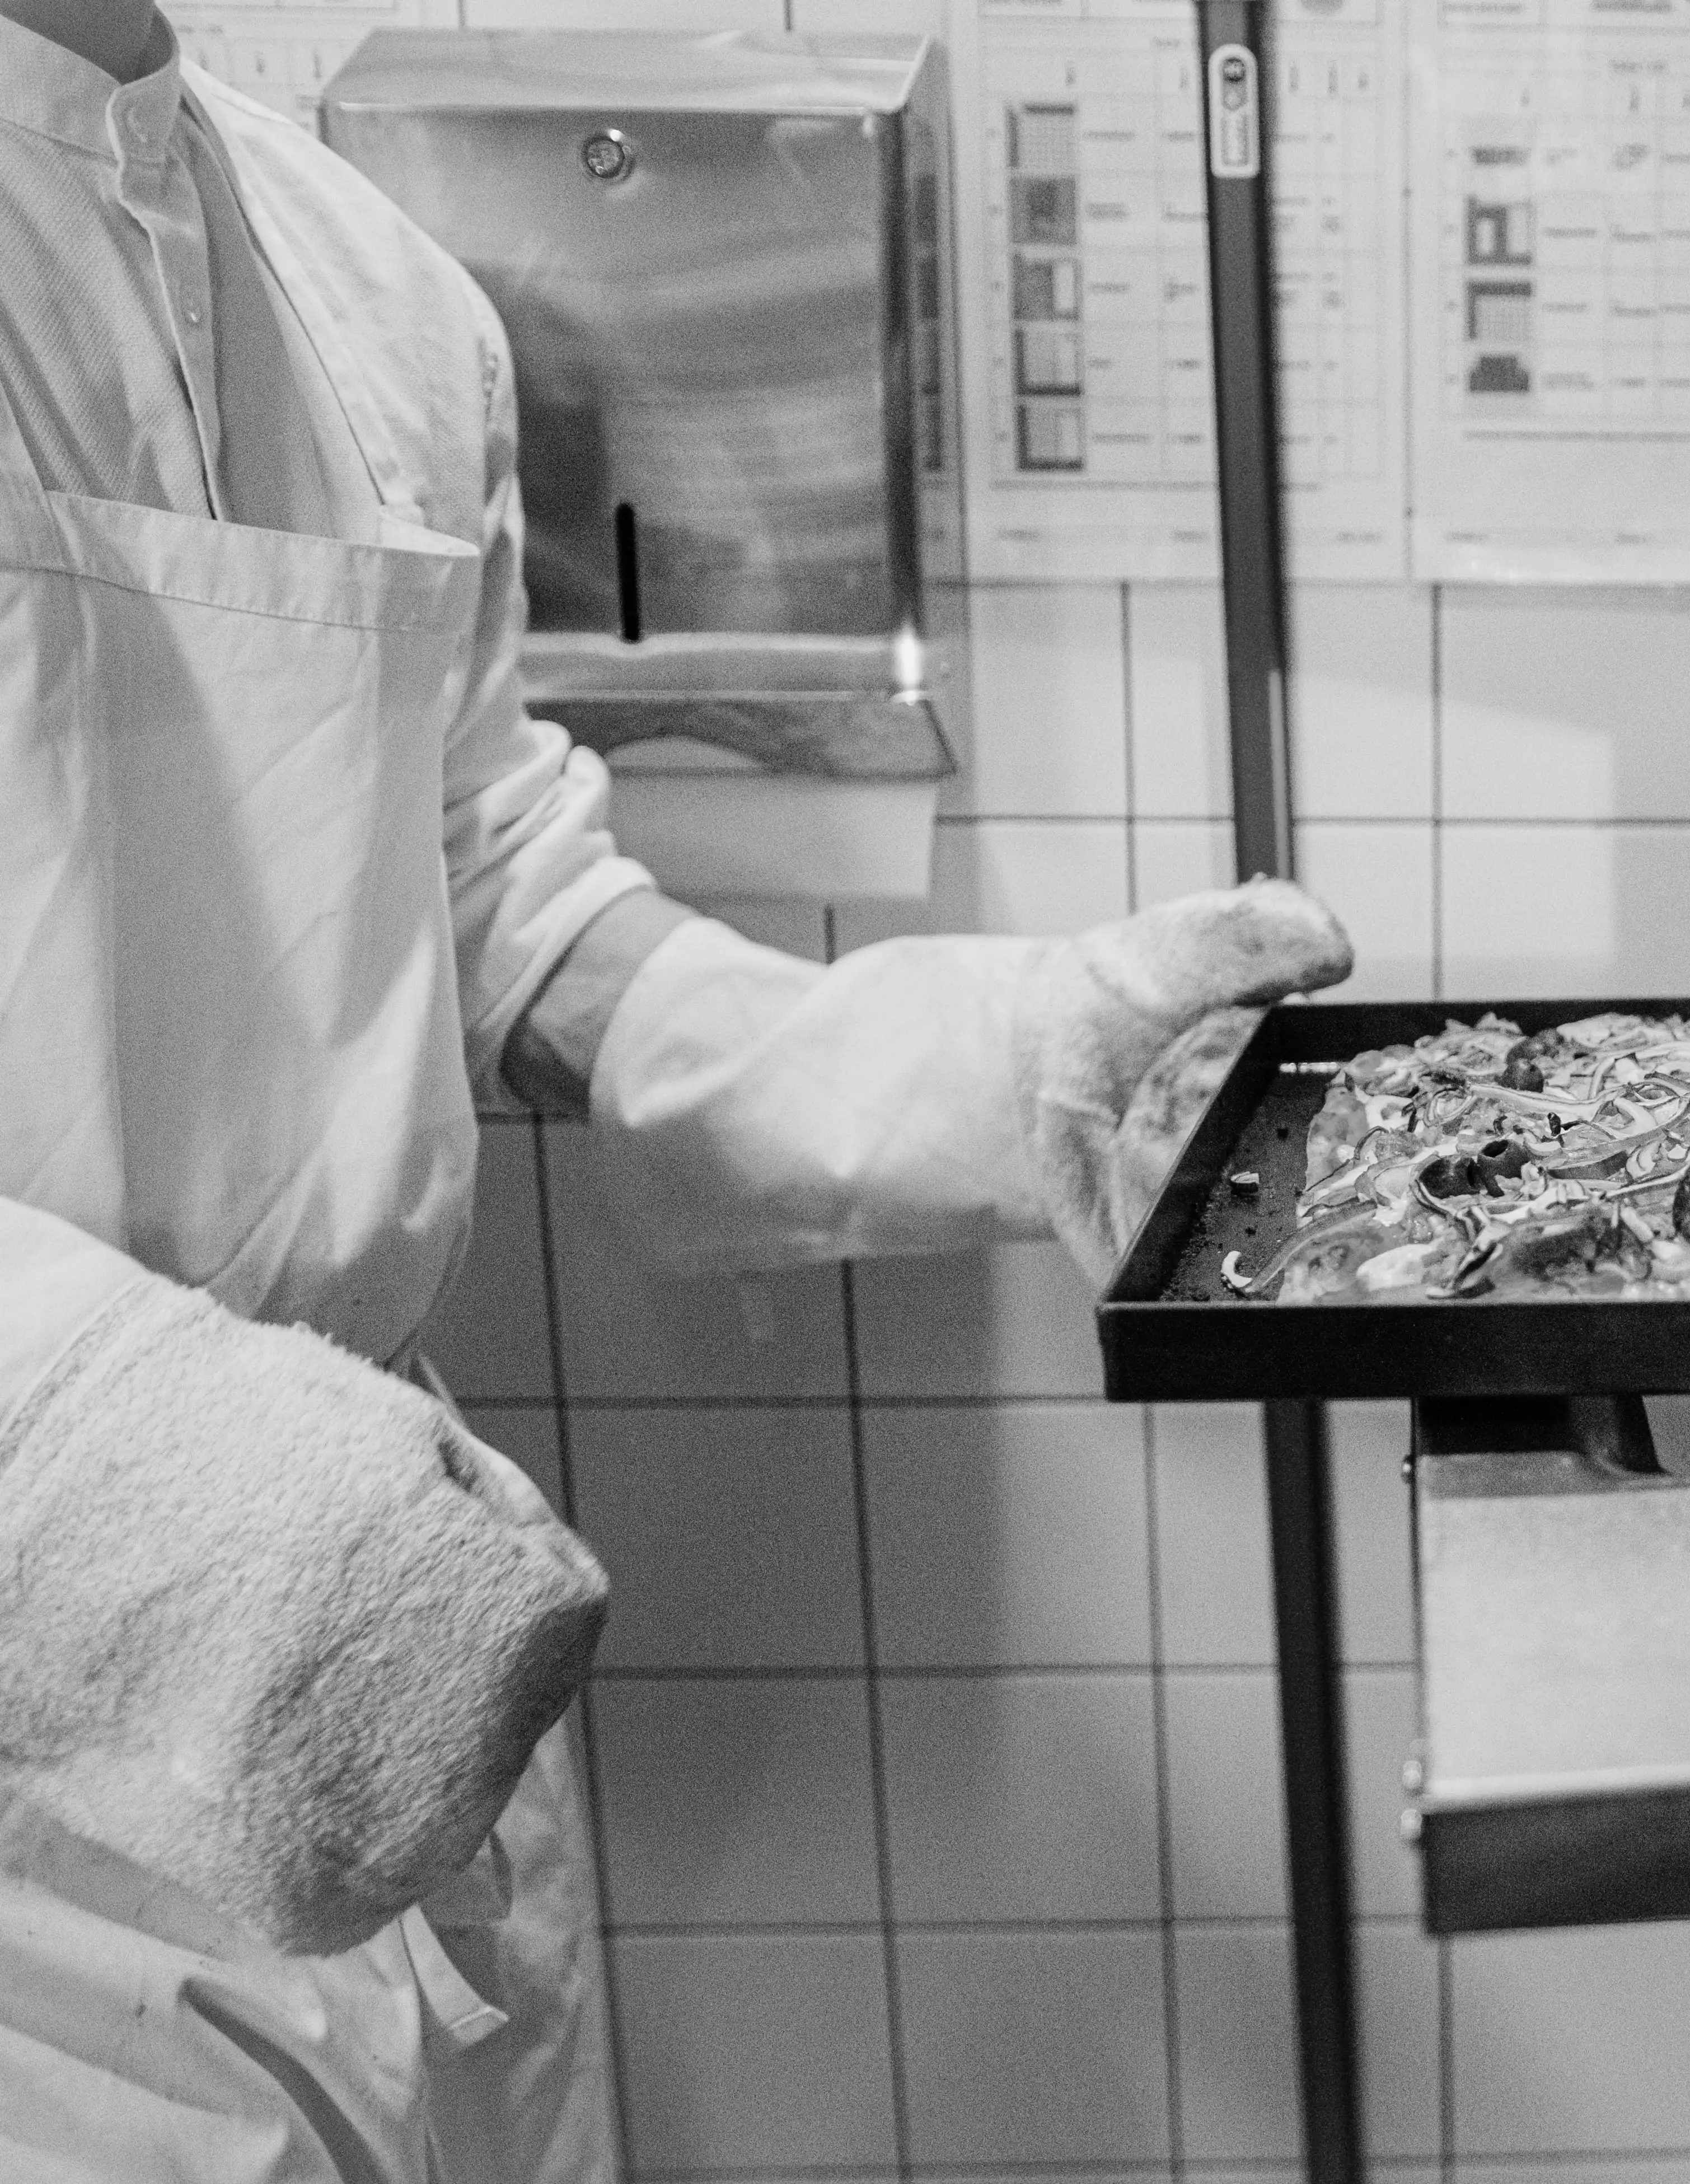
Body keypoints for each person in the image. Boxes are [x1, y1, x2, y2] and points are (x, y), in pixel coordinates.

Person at [0, 2, 1354, 2177]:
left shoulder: (363, 285)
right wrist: (125, 1477)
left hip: (391, 1702)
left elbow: (493, 907)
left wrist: (992, 1063)